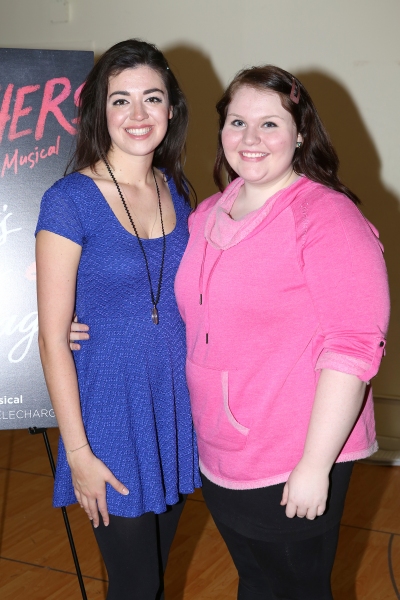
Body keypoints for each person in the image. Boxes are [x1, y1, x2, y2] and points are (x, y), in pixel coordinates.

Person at [173, 65, 390, 599]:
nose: (250, 139)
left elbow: (353, 347)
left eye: (270, 124)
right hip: (223, 449)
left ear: (300, 134)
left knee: (296, 590)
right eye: (238, 122)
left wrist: (315, 465)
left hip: (292, 455)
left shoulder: (326, 217)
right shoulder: (206, 213)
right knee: (257, 582)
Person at [35, 39, 201, 600]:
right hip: (109, 415)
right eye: (120, 100)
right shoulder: (69, 200)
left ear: (171, 109)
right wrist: (78, 455)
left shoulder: (177, 190)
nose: (137, 115)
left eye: (151, 98)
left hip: (173, 409)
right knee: (134, 584)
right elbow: (55, 338)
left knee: (154, 575)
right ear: (98, 112)